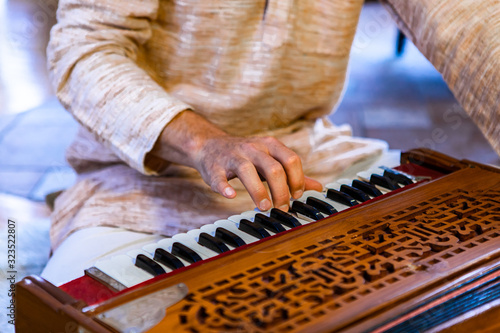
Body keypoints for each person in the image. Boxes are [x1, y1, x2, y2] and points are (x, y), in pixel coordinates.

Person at [41, 0, 499, 285]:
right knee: (78, 310)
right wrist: (203, 141)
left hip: (313, 170)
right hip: (142, 185)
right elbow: (85, 52)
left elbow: (472, 23)